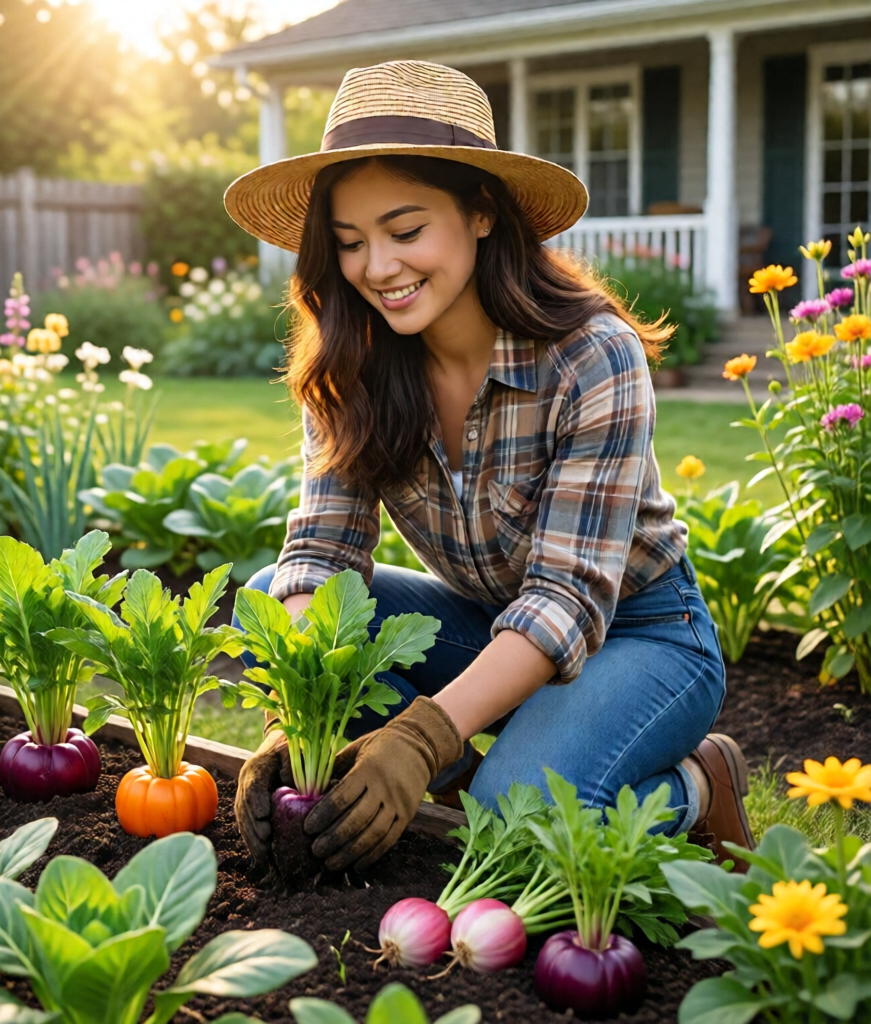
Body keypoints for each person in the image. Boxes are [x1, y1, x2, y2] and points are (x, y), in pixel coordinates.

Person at [223, 60, 755, 874]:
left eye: (405, 232)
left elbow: (565, 600)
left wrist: (421, 735)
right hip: (488, 624)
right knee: (274, 602)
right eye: (351, 243)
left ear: (479, 213)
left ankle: (695, 785)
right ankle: (491, 762)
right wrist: (300, 712)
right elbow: (322, 555)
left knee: (508, 827)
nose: (378, 269)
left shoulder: (590, 357)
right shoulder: (350, 361)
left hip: (640, 635)